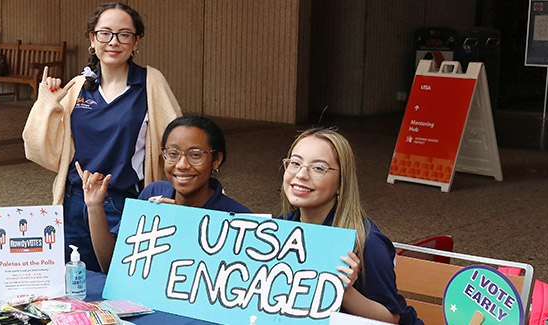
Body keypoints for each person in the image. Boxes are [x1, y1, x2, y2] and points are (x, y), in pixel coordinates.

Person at [22, 2, 181, 272]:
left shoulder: (150, 83)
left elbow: (178, 145)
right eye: (104, 33)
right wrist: (46, 105)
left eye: (124, 34)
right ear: (92, 39)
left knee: (120, 285)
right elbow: (41, 152)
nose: (113, 42)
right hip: (74, 203)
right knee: (73, 286)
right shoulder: (77, 87)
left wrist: (196, 193)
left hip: (123, 204)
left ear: (136, 41)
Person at [279, 127, 423, 324]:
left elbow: (393, 319)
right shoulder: (280, 228)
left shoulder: (367, 242)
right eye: (295, 163)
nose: (301, 174)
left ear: (341, 183)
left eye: (318, 168)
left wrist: (344, 290)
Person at [77, 115, 252, 273]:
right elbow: (111, 265)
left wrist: (183, 225)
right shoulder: (153, 194)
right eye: (173, 154)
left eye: (196, 155)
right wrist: (94, 206)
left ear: (216, 160)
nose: (182, 164)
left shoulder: (241, 220)